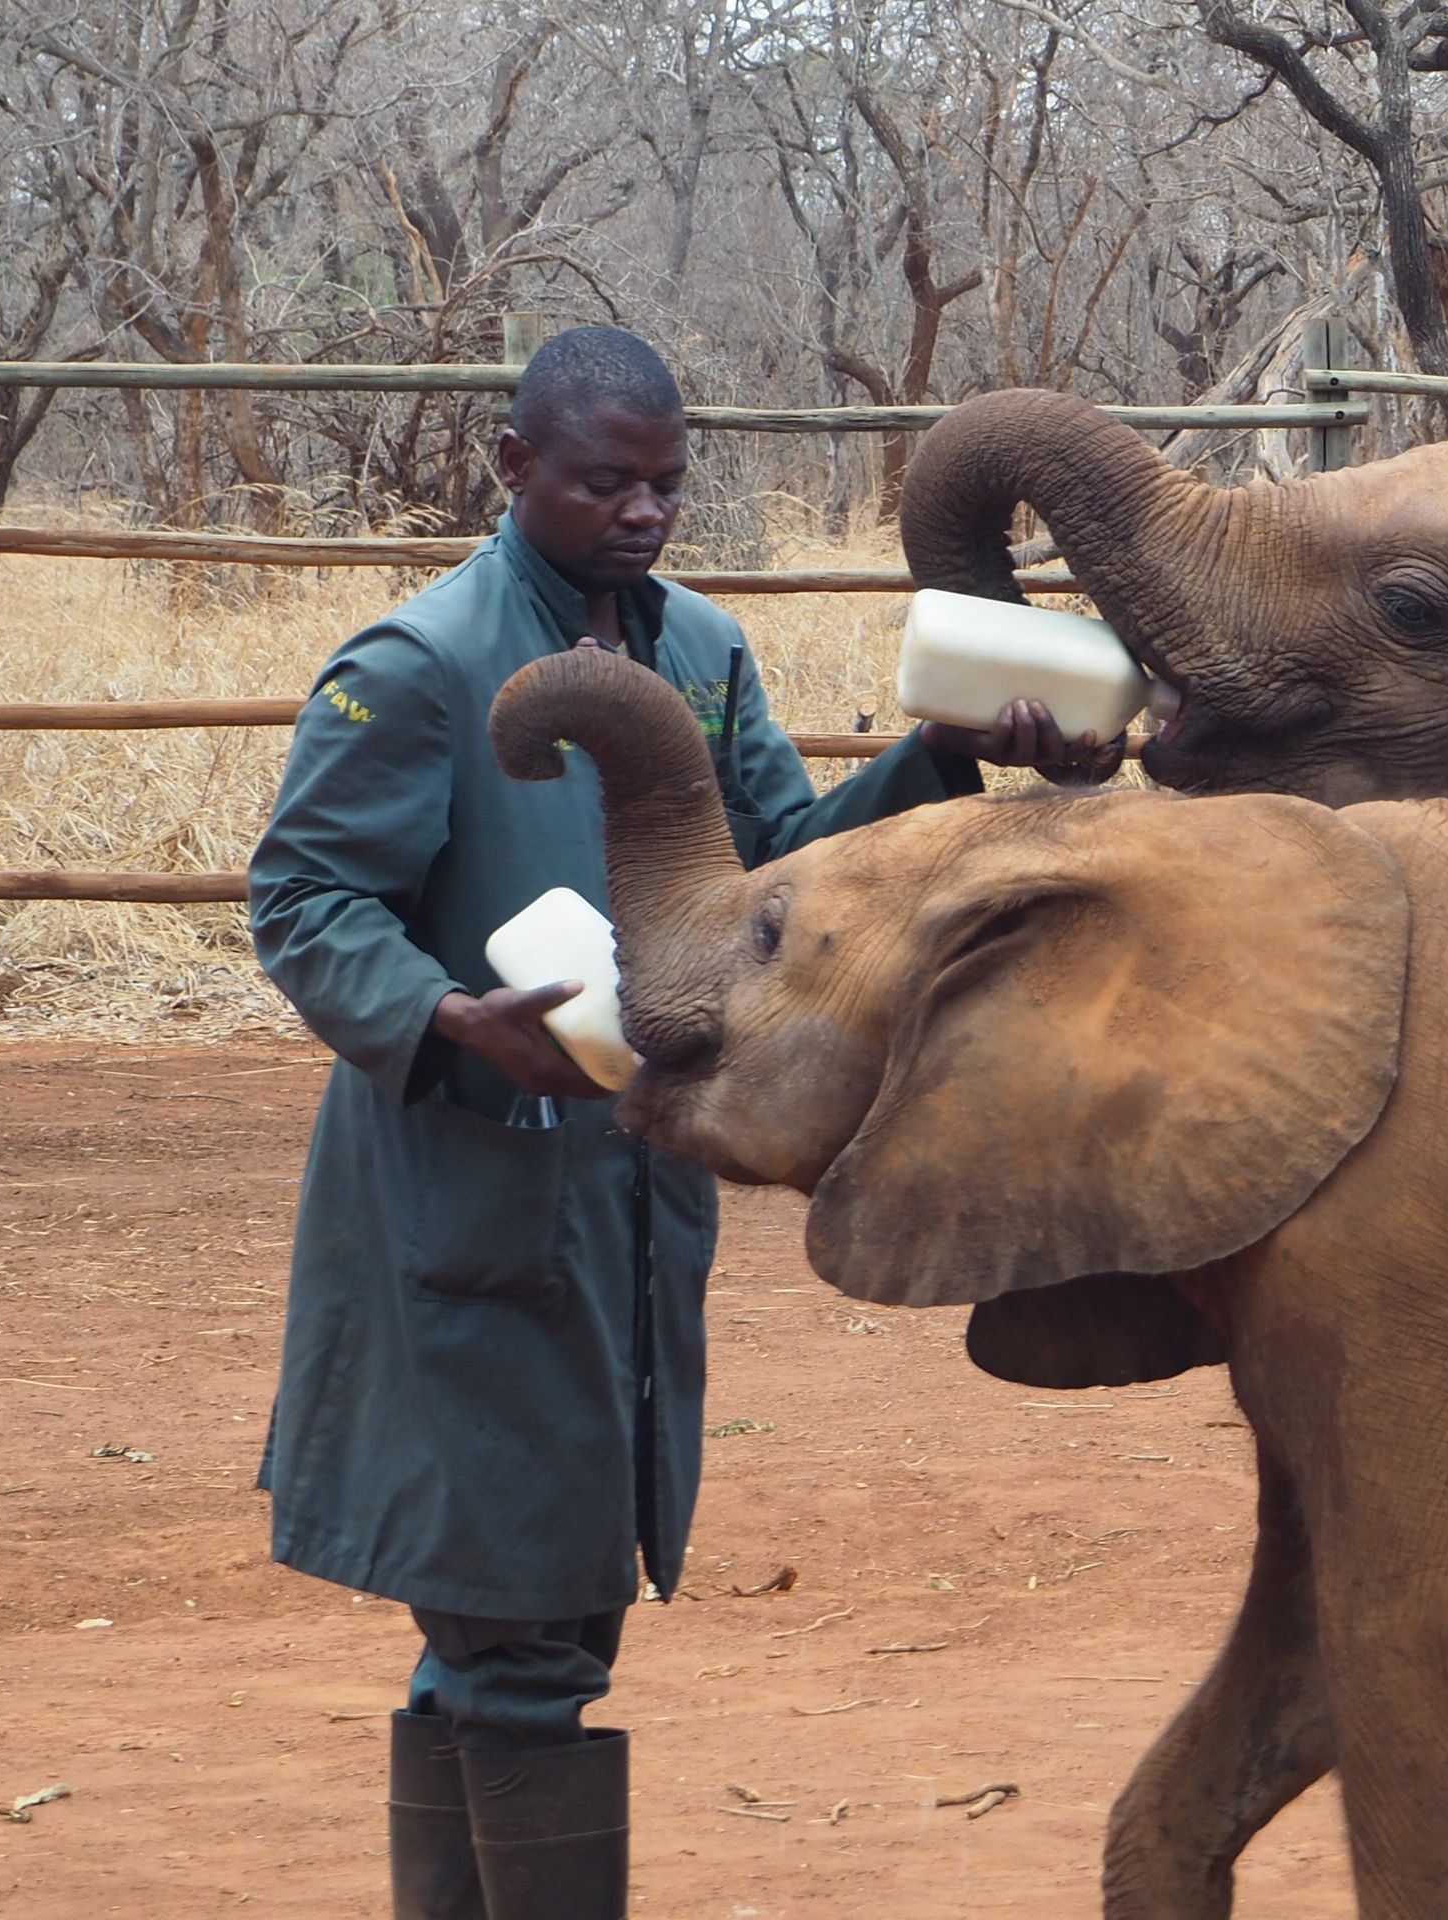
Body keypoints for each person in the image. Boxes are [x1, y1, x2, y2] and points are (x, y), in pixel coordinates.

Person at [246, 326, 1105, 1920]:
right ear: (513, 469)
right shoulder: (418, 665)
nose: (643, 513)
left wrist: (940, 761)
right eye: (604, 482)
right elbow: (303, 899)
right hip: (464, 1181)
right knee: (521, 1620)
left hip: (625, 1199)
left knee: (518, 1618)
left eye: (665, 484)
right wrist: (446, 1024)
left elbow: (780, 875)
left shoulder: (700, 652)